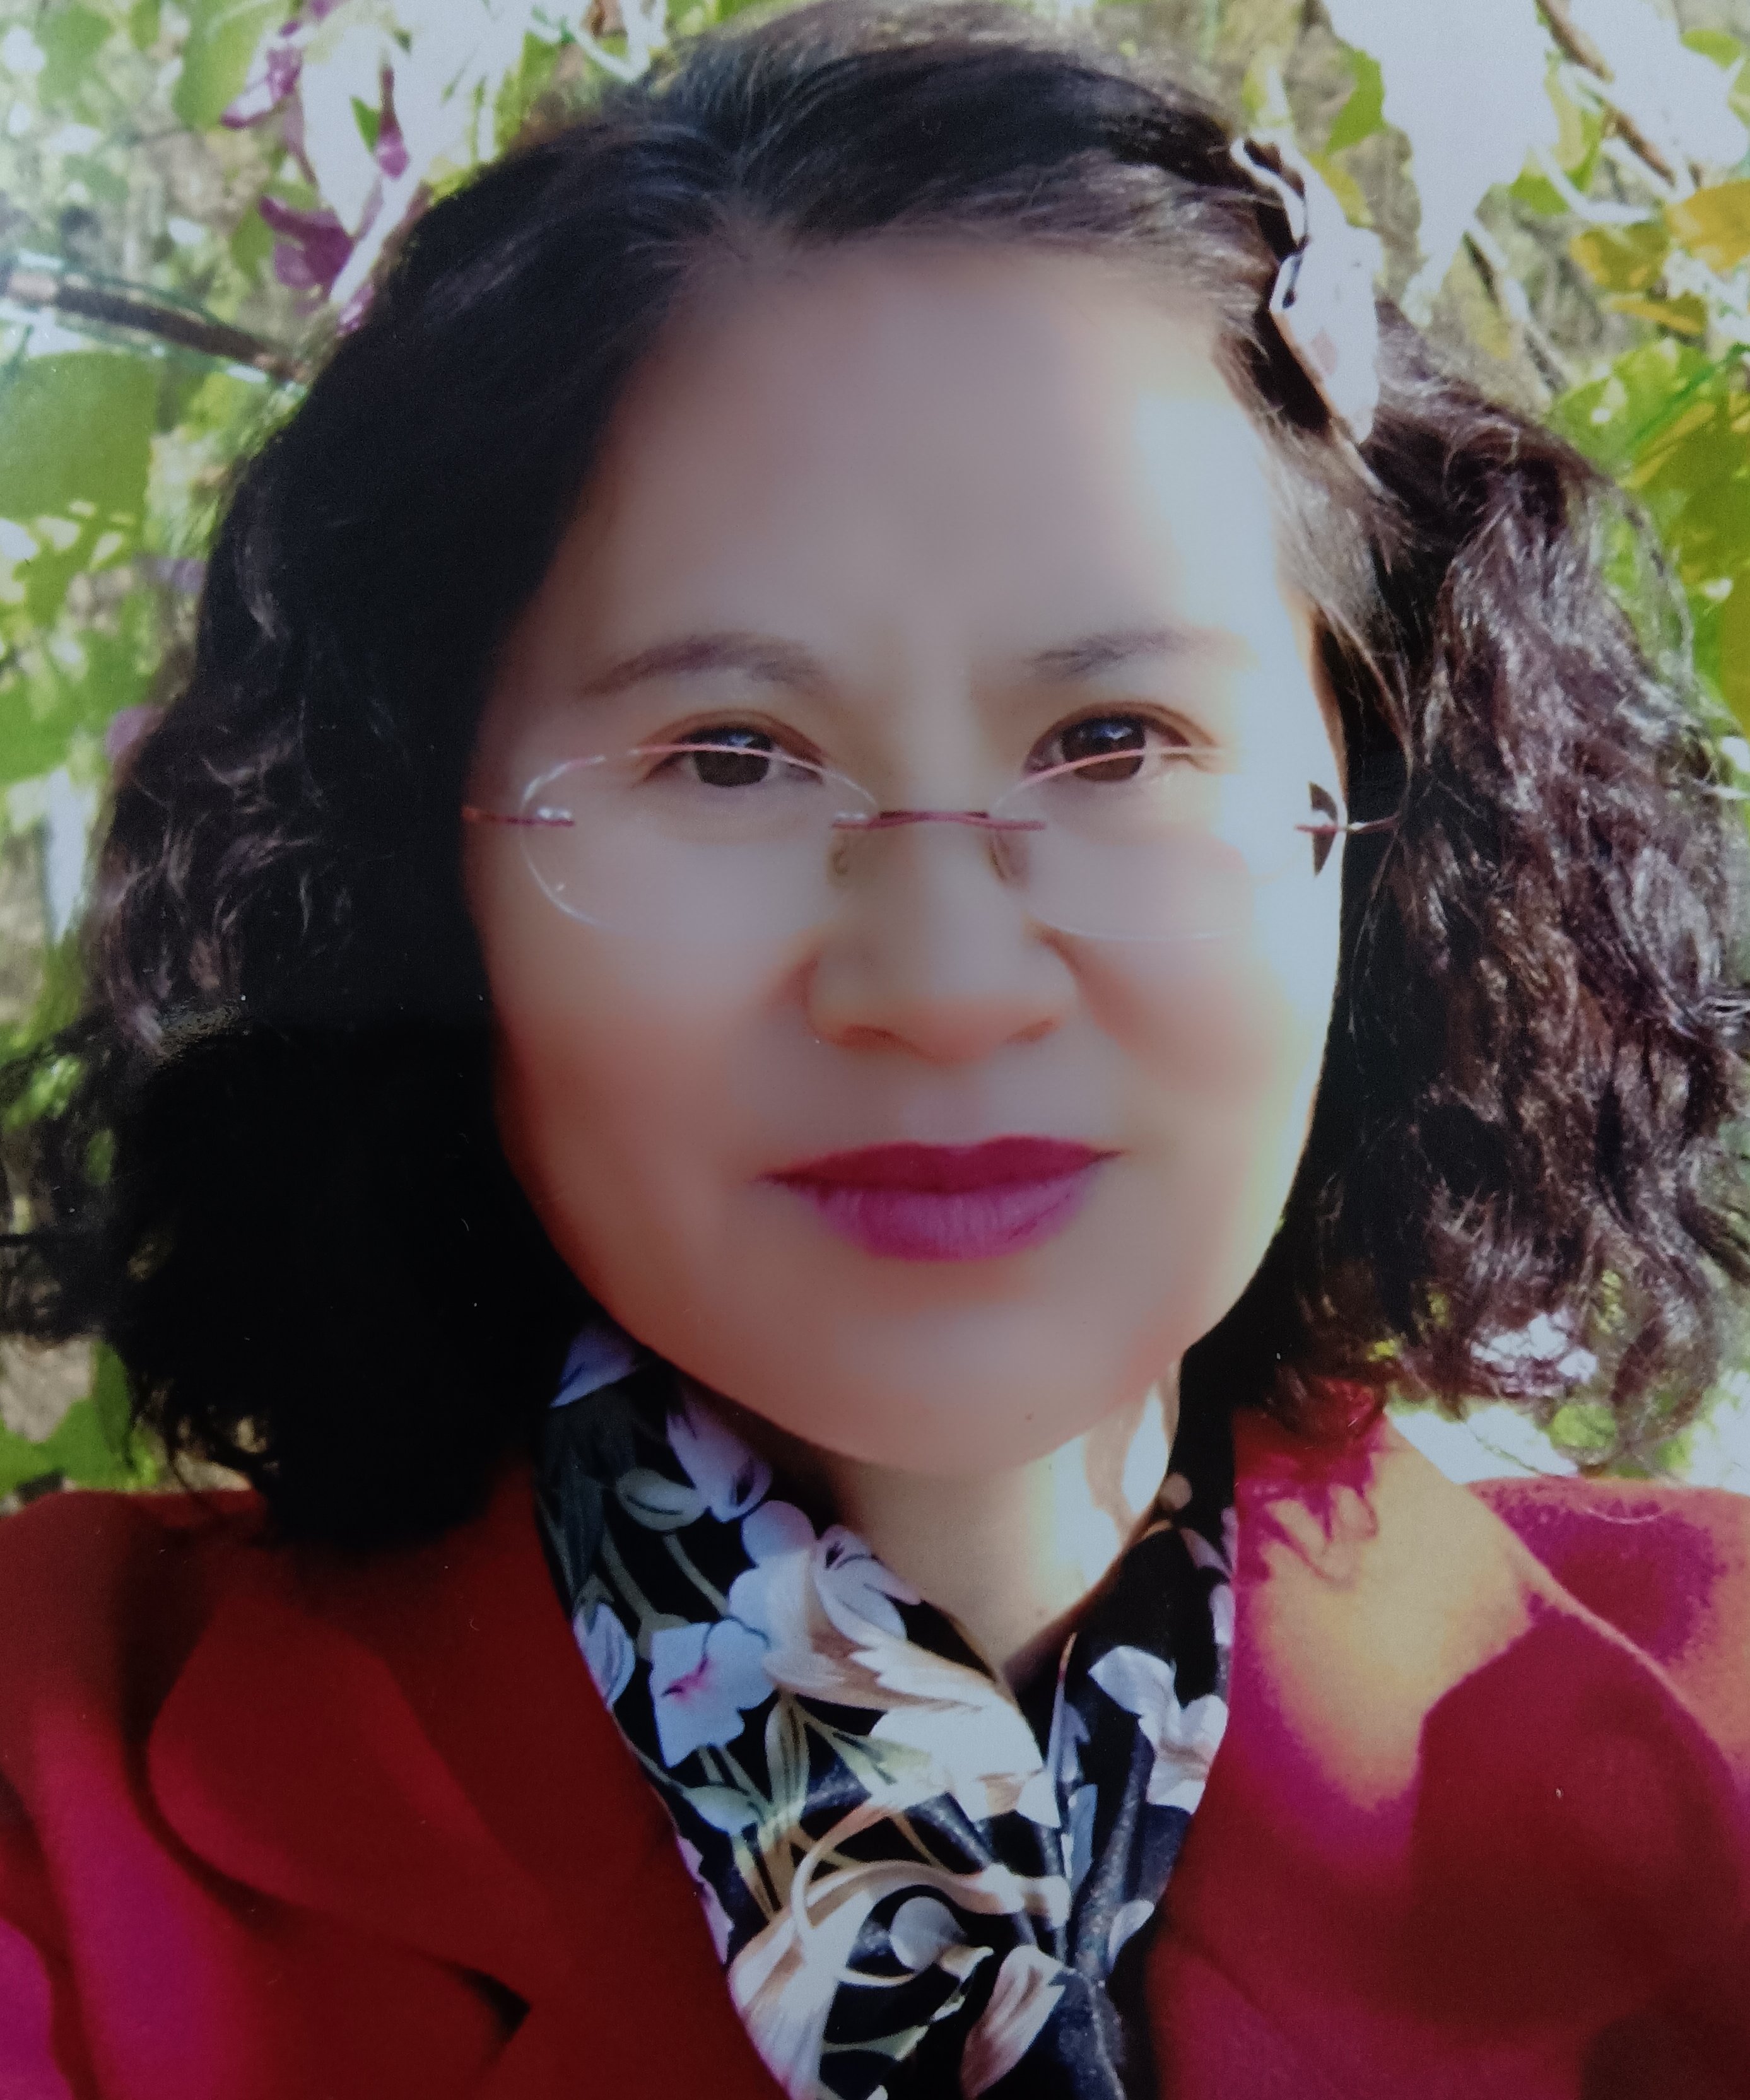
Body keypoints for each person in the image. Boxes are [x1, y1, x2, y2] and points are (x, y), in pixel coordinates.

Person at [2, 4, 1748, 2094]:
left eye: (1115, 741)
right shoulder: (44, 1795)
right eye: (730, 757)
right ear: (411, 874)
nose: (941, 980)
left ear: (1380, 827)